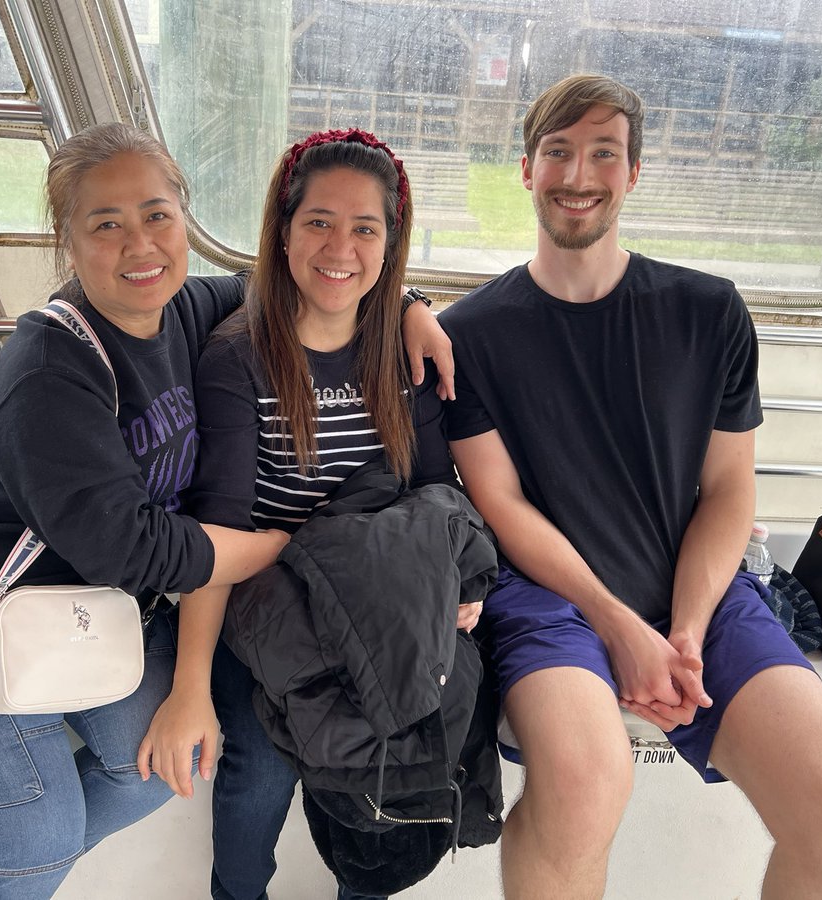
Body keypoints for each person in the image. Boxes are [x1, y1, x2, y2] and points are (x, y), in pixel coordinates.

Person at [0, 122, 453, 900]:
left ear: (184, 219)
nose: (139, 245)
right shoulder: (46, 373)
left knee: (159, 767)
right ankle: (9, 853)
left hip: (86, 613)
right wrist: (285, 543)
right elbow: (140, 552)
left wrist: (412, 305)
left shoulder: (184, 306)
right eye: (106, 224)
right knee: (35, 837)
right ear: (69, 241)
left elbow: (316, 275)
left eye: (157, 215)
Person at [439, 75, 822, 900]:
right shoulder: (467, 335)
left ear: (635, 173)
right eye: (558, 152)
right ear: (525, 169)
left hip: (701, 590)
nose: (579, 175)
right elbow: (500, 505)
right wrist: (618, 625)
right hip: (549, 598)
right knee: (582, 789)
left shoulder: (709, 312)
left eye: (603, 153)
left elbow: (727, 490)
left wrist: (682, 631)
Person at [137, 128, 486, 900]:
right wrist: (191, 684)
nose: (341, 247)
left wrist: (466, 584)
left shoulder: (407, 351)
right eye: (319, 222)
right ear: (284, 230)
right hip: (269, 601)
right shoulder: (240, 358)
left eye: (366, 228)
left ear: (390, 244)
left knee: (403, 741)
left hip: (378, 598)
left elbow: (436, 494)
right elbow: (217, 530)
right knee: (260, 760)